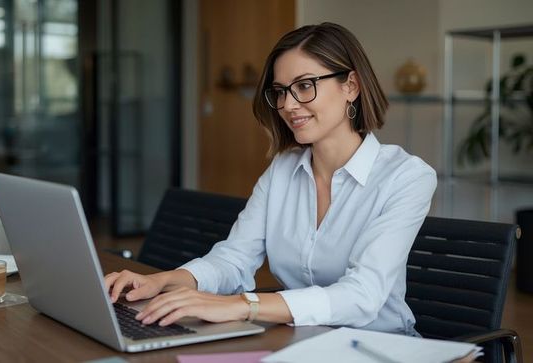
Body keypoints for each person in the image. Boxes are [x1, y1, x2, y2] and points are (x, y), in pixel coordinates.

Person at [104, 22, 436, 336]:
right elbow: (234, 258)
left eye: (304, 86)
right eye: (280, 91)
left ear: (350, 86)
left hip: (381, 347)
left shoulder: (406, 177)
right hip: (302, 341)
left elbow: (362, 295)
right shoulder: (282, 169)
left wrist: (242, 306)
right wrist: (165, 281)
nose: (288, 104)